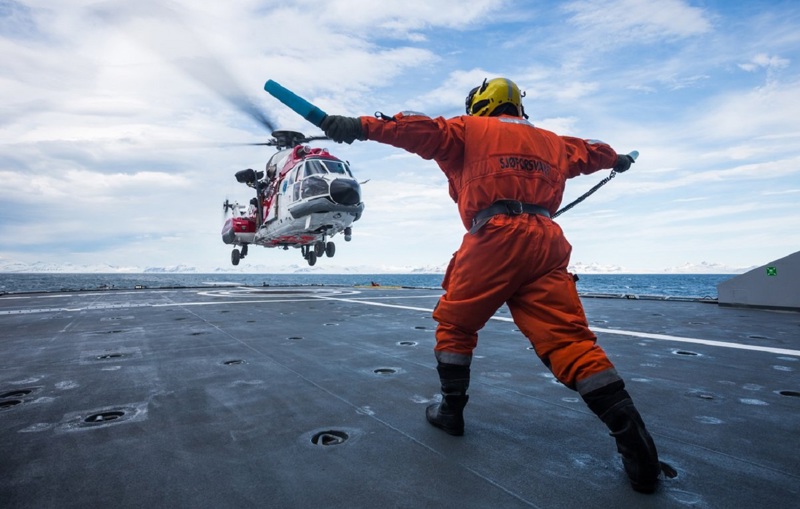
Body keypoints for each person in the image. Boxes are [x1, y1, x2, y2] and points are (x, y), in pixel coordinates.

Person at [321, 77, 664, 493]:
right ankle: (637, 448)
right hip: (547, 241)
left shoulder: (466, 129)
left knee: (456, 325)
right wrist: (620, 160)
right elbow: (595, 152)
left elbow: (414, 128)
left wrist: (355, 126)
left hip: (495, 235)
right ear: (518, 106)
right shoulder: (556, 142)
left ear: (480, 104)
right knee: (570, 342)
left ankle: (451, 412)